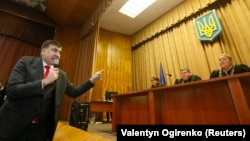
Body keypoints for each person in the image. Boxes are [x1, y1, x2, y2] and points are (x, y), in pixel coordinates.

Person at [0, 39, 104, 141]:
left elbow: (74, 92)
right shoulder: (26, 62)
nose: (58, 54)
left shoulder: (61, 75)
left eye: (60, 52)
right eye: (54, 50)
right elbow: (12, 91)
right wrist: (44, 82)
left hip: (40, 131)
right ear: (43, 51)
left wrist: (91, 80)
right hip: (14, 124)